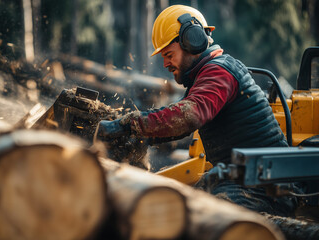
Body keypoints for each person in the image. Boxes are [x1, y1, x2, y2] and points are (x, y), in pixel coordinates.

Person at [98, 5, 298, 217]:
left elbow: (188, 116)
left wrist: (129, 124)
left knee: (194, 216)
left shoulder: (219, 72)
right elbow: (178, 126)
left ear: (192, 40)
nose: (165, 63)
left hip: (266, 190)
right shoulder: (206, 75)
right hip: (245, 179)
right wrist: (139, 138)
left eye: (168, 54)